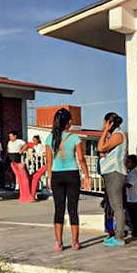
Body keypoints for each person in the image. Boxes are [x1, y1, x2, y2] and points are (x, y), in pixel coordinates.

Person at [41, 107, 87, 250]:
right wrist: (87, 175)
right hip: (72, 174)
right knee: (73, 209)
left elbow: (48, 161)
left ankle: (58, 243)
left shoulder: (50, 139)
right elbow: (81, 159)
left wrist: (49, 178)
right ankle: (75, 242)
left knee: (58, 209)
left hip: (56, 175)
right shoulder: (74, 138)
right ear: (68, 122)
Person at [94, 113, 129, 246]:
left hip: (116, 172)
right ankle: (116, 234)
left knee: (118, 206)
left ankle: (119, 237)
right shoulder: (112, 135)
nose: (103, 124)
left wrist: (105, 131)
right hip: (109, 172)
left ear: (110, 122)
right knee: (114, 206)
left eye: (105, 122)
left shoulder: (118, 135)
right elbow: (101, 150)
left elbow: (101, 148)